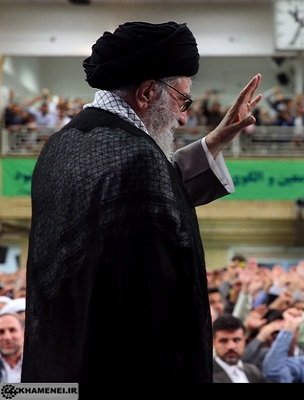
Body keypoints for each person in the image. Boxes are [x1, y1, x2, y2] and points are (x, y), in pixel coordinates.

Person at [23, 21, 262, 384]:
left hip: (62, 366)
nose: (183, 116)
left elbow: (140, 195)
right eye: (182, 100)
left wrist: (212, 142)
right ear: (147, 92)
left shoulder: (63, 143)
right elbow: (159, 297)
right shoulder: (136, 155)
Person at [212, 315, 264, 383]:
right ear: (213, 342)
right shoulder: (207, 375)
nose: (231, 346)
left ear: (244, 340)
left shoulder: (253, 371)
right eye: (224, 341)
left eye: (236, 340)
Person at [0, 313, 24, 383]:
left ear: (23, 333)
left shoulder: (38, 363)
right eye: (1, 332)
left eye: (12, 330)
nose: (7, 337)